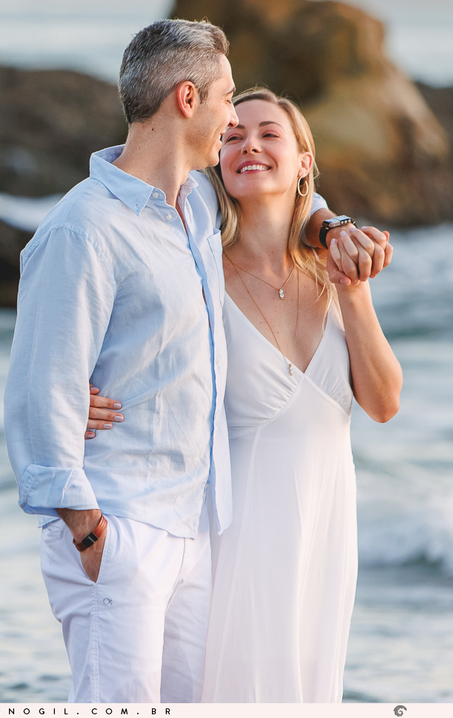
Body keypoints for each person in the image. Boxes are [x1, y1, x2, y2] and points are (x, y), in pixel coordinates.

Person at [4, 19, 390, 703]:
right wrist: (88, 530)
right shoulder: (83, 227)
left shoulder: (196, 208)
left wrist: (330, 225)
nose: (234, 120)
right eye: (226, 101)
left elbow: (288, 192)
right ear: (188, 100)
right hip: (120, 529)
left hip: (194, 532)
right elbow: (38, 385)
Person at [86, 88, 402, 702]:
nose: (249, 144)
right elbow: (124, 326)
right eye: (233, 135)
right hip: (234, 539)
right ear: (217, 160)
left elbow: (384, 404)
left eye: (270, 134)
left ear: (305, 161)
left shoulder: (334, 269)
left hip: (324, 536)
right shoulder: (199, 268)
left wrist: (354, 290)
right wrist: (71, 393)